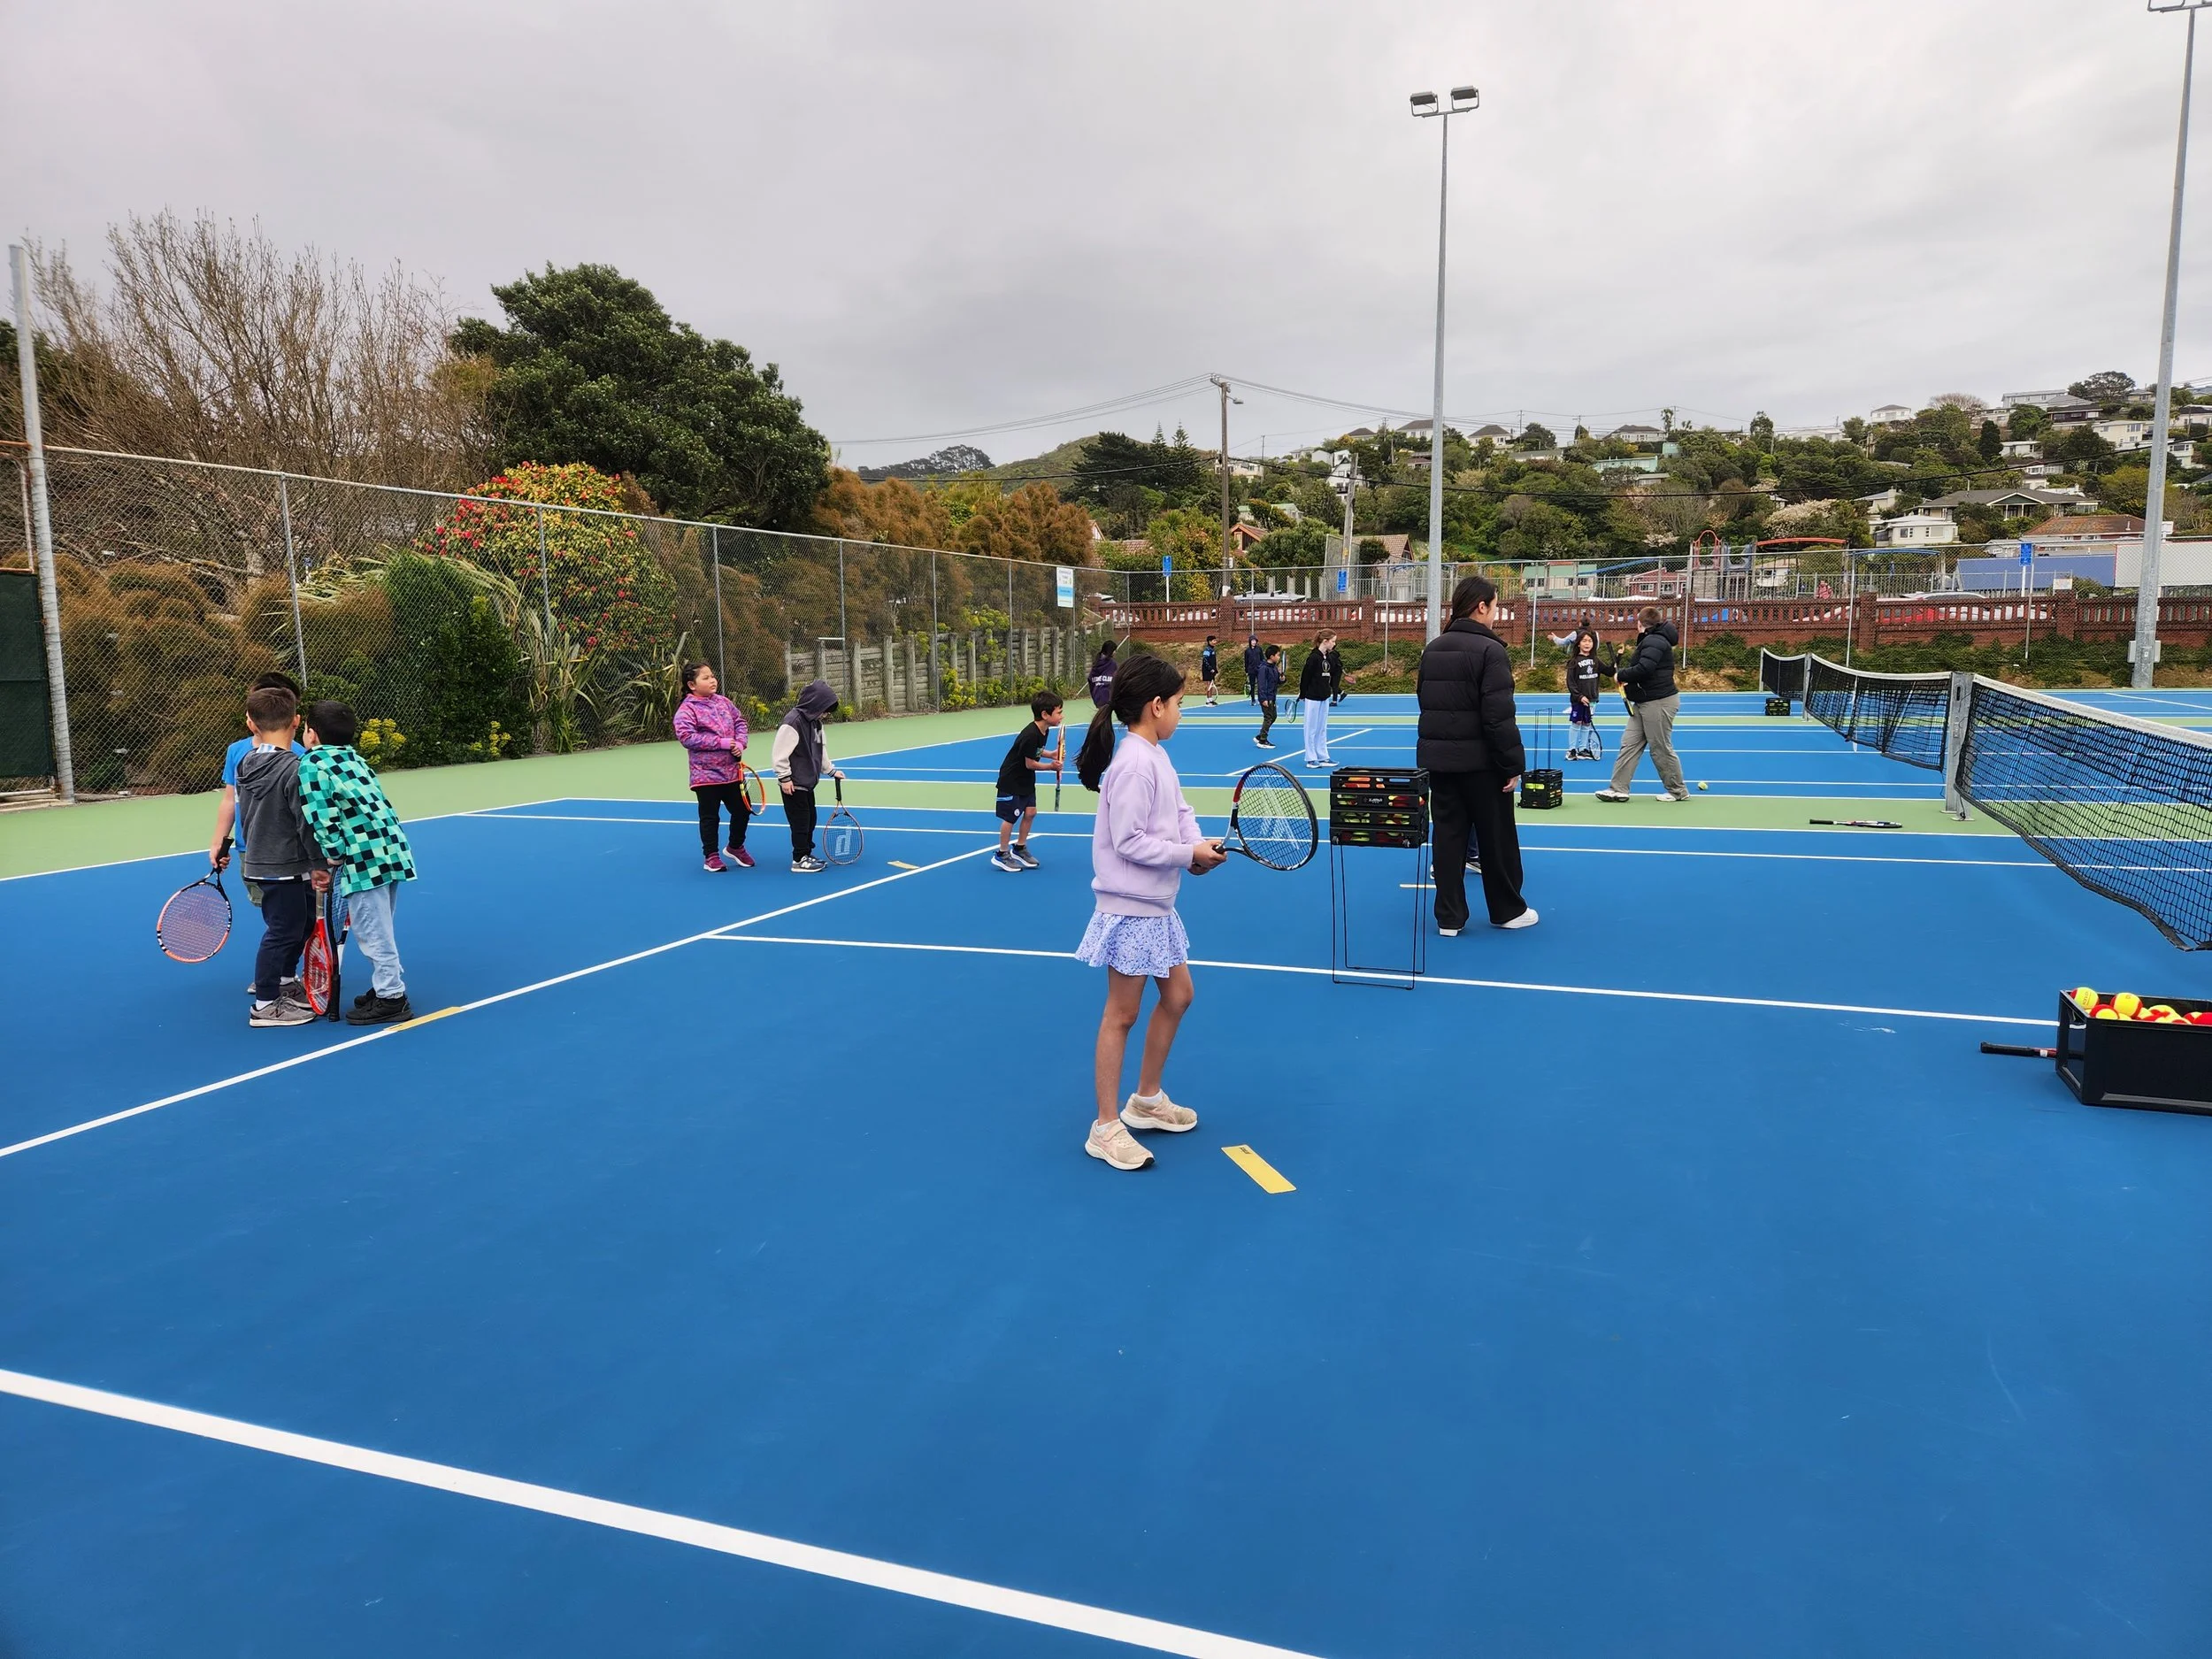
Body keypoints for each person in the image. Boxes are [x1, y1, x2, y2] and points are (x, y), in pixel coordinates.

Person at [1072, 653, 1227, 1171]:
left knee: (1179, 995)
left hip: (1156, 905)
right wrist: (1188, 855)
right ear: (1155, 706)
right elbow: (1130, 841)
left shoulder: (1155, 754)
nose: (1182, 712)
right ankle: (1105, 1126)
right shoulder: (1134, 764)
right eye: (1180, 704)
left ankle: (1145, 1100)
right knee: (1122, 1014)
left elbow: (1179, 813)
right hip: (1130, 907)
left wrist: (1196, 846)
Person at [1415, 574, 1536, 935]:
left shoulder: (1433, 649)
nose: (1497, 613)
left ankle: (1449, 918)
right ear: (1481, 606)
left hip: (1441, 763)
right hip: (1482, 765)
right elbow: (1498, 716)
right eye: (1496, 605)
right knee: (1496, 838)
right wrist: (1512, 764)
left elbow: (1426, 701)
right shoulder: (1491, 650)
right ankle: (1507, 910)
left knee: (1448, 836)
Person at [299, 699, 418, 1025]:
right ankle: (384, 987)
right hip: (392, 850)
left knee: (372, 932)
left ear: (311, 734)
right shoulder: (356, 758)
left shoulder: (312, 764)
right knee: (381, 925)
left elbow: (321, 816)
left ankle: (392, 997)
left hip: (363, 859)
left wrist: (334, 853)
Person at [233, 685, 330, 1027]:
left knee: (299, 925)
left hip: (267, 862)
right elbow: (305, 823)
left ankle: (286, 982)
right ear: (296, 720)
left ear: (251, 723)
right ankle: (265, 1004)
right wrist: (320, 865)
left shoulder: (246, 762)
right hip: (283, 864)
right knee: (282, 931)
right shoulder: (295, 768)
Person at [1596, 605, 1689, 803]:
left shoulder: (1654, 640)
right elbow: (1645, 670)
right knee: (1629, 744)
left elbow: (1645, 668)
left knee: (1660, 747)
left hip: (1659, 702)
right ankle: (1618, 789)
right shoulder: (1652, 640)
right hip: (1644, 701)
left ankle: (1678, 791)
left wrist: (1620, 675)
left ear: (1640, 624)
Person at [673, 662, 753, 872]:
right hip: (705, 775)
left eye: (712, 676)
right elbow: (687, 737)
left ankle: (735, 847)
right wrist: (722, 743)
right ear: (692, 684)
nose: (712, 680)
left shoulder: (724, 702)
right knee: (710, 816)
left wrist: (740, 742)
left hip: (732, 772)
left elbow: (740, 723)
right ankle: (711, 856)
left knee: (743, 809)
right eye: (706, 678)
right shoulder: (687, 709)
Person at [772, 680, 845, 872]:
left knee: (811, 818)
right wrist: (785, 778)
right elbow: (779, 754)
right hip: (794, 784)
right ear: (815, 704)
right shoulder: (793, 722)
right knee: (800, 821)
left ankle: (806, 853)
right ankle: (799, 859)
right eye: (825, 709)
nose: (827, 714)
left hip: (807, 783)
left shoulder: (817, 725)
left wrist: (830, 770)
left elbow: (821, 751)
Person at [992, 689, 1064, 872]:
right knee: (1011, 817)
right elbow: (1030, 763)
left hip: (1025, 779)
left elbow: (1036, 752)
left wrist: (1050, 754)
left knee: (1030, 812)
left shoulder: (1044, 731)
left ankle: (1020, 848)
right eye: (1059, 712)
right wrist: (1051, 767)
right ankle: (1002, 854)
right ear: (1045, 715)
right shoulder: (1030, 734)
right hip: (1012, 779)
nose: (1062, 716)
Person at [1298, 630, 1338, 769]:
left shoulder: (1327, 657)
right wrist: (1302, 694)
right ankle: (1311, 758)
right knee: (1311, 728)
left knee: (1322, 728)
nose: (1334, 644)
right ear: (1325, 641)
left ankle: (1322, 756)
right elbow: (1305, 677)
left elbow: (1331, 673)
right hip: (1312, 697)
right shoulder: (1313, 658)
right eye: (1332, 641)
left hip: (1324, 696)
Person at [1565, 628, 1605, 761]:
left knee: (1587, 723)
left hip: (1592, 699)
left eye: (1590, 641)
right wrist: (1579, 696)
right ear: (1578, 644)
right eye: (1584, 641)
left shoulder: (1596, 661)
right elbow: (1570, 683)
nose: (1587, 643)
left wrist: (1618, 657)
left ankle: (1582, 749)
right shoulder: (1574, 662)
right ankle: (1572, 750)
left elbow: (1610, 671)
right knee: (1577, 722)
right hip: (1578, 700)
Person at [1253, 644, 1284, 748]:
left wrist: (1282, 679)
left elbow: (1277, 681)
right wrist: (1263, 699)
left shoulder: (1274, 668)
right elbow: (1261, 685)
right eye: (1278, 655)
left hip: (1272, 696)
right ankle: (1262, 740)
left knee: (1273, 716)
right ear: (1272, 656)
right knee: (1268, 717)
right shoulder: (1263, 668)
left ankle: (1260, 736)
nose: (1279, 657)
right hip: (1266, 697)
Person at [1087, 641, 1119, 710]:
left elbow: (1090, 680)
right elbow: (1118, 678)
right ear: (1110, 651)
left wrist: (1094, 693)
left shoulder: (1096, 662)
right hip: (1107, 695)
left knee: (1102, 714)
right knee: (1105, 715)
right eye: (1114, 650)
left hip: (1097, 696)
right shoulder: (1112, 664)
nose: (1115, 652)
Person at [1325, 633, 1347, 707]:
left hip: (1336, 672)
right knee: (1331, 684)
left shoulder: (1332, 655)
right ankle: (1342, 693)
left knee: (1334, 686)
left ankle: (1334, 701)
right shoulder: (1331, 654)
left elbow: (1335, 664)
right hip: (1334, 671)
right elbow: (1339, 662)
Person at [1241, 634, 1263, 703]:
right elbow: (1246, 661)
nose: (1254, 642)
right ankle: (1253, 699)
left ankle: (1261, 699)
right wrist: (1246, 670)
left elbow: (1262, 659)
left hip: (1259, 669)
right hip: (1251, 670)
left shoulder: (1259, 649)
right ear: (1250, 642)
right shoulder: (1247, 651)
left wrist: (1263, 667)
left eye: (1255, 641)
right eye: (1252, 641)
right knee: (1252, 685)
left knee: (1261, 685)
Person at [1199, 634, 1219, 705]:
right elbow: (1205, 660)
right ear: (1209, 642)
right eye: (1214, 641)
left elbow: (1213, 661)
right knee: (1209, 685)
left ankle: (1211, 699)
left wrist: (1215, 669)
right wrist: (1210, 669)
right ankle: (1208, 700)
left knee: (1211, 684)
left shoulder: (1212, 650)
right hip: (1207, 670)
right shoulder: (1207, 650)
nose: (1215, 642)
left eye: (1215, 640)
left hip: (1212, 670)